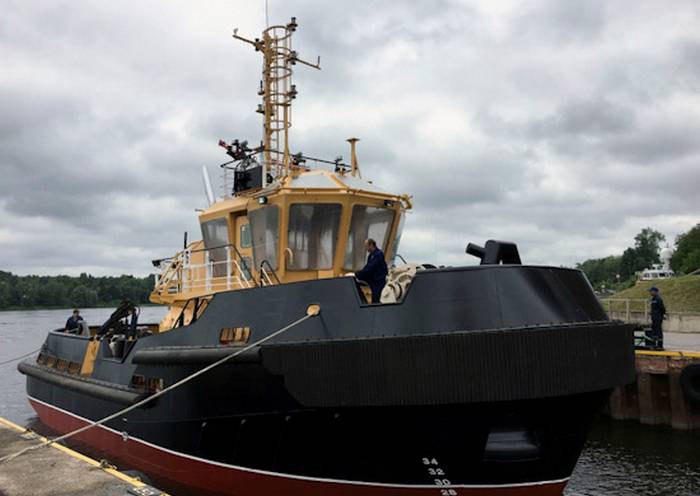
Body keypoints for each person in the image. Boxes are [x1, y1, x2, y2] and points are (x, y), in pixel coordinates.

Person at [355, 238, 388, 304]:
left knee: (376, 299)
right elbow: (367, 267)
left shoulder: (379, 255)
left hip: (378, 282)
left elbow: (370, 268)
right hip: (373, 281)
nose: (366, 248)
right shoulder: (371, 256)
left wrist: (358, 274)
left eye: (366, 246)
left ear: (371, 245)